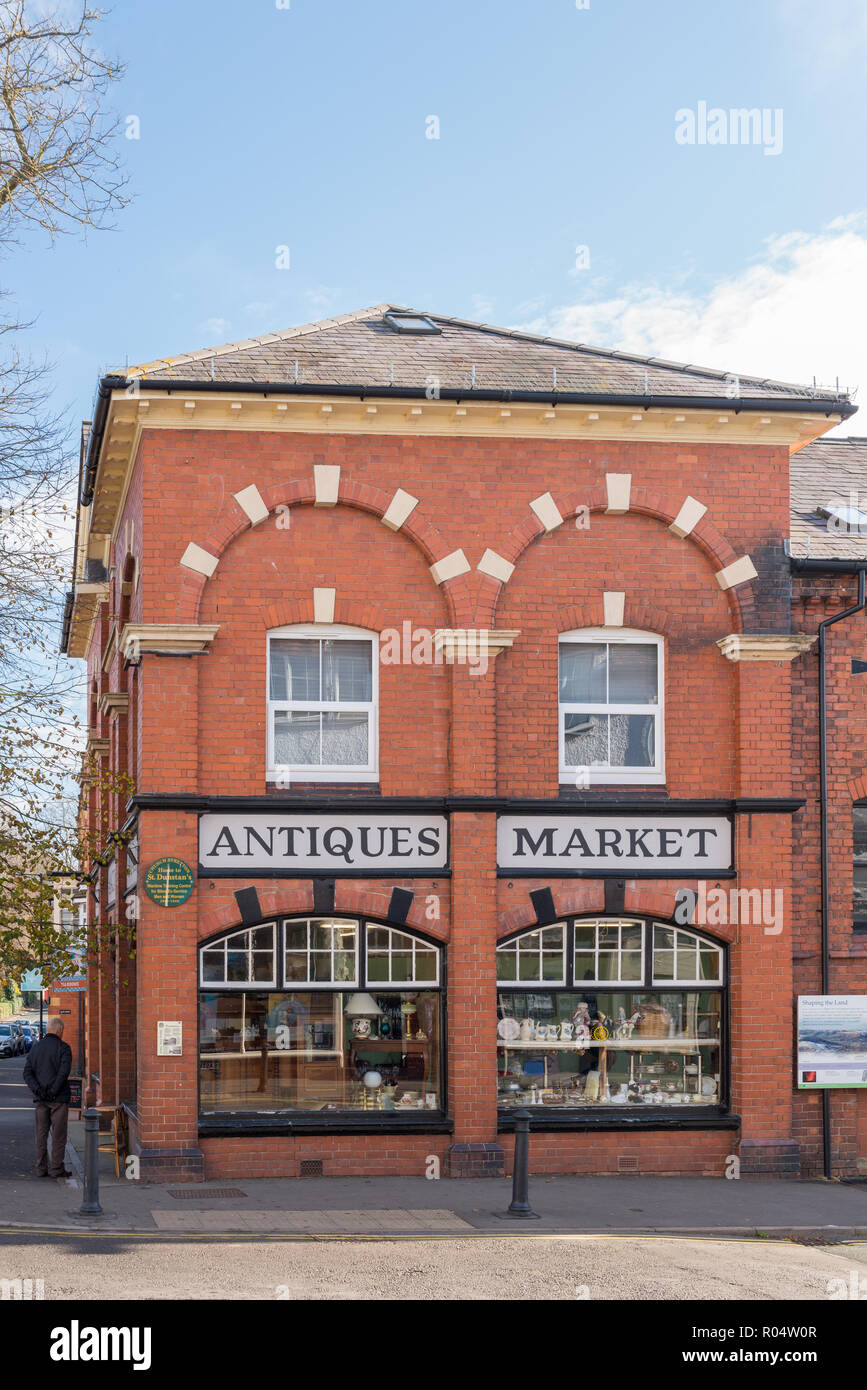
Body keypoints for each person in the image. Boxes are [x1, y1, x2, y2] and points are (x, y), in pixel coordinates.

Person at [22, 1017, 73, 1180]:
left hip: (40, 1099)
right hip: (58, 1099)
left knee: (41, 1134)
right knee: (58, 1135)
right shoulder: (64, 1048)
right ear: (59, 1030)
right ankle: (56, 1168)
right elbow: (63, 1073)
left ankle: (40, 1167)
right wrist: (53, 1091)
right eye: (62, 1031)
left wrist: (37, 1089)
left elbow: (27, 1073)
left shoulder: (36, 1048)